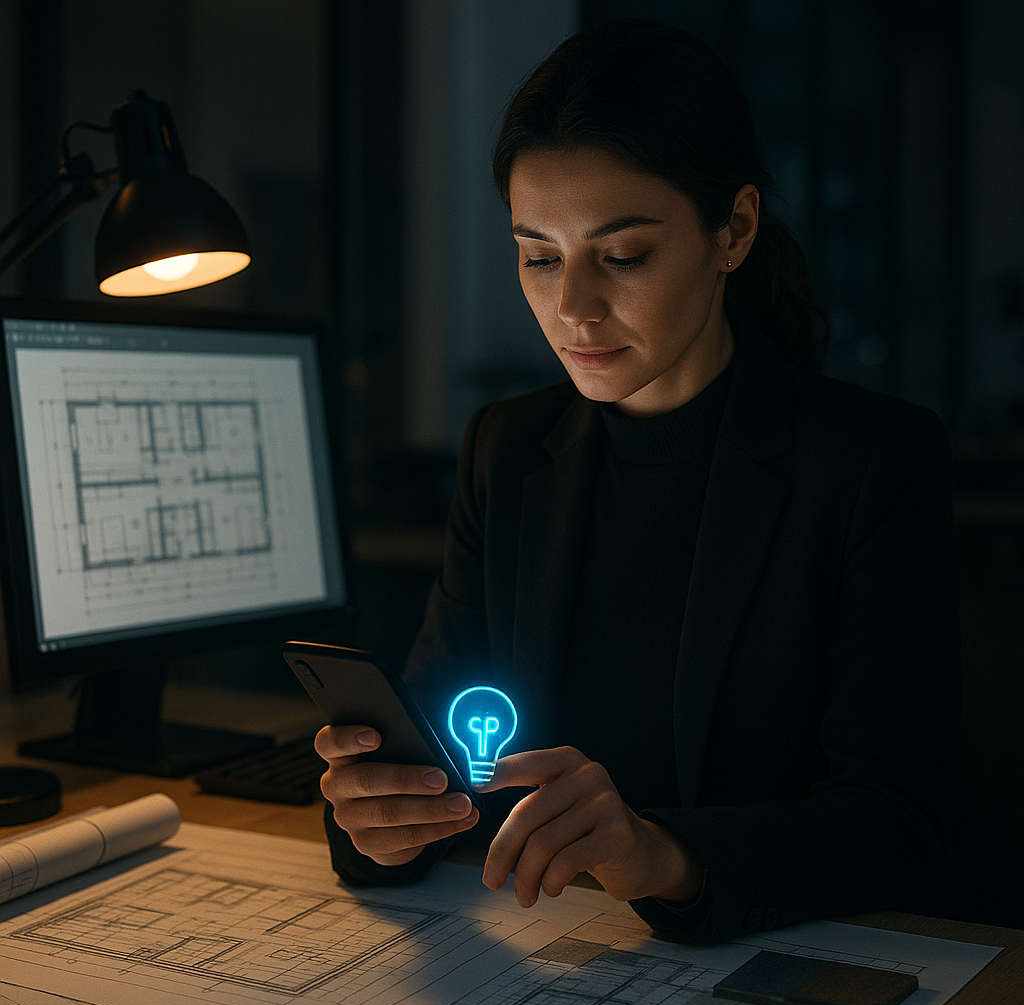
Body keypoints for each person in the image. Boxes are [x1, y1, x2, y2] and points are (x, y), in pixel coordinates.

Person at [316, 18, 962, 945]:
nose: (572, 307)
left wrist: (665, 855)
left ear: (732, 231)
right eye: (539, 256)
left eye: (622, 256)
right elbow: (431, 754)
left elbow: (908, 825)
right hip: (533, 957)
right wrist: (380, 823)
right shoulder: (507, 450)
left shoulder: (870, 464)